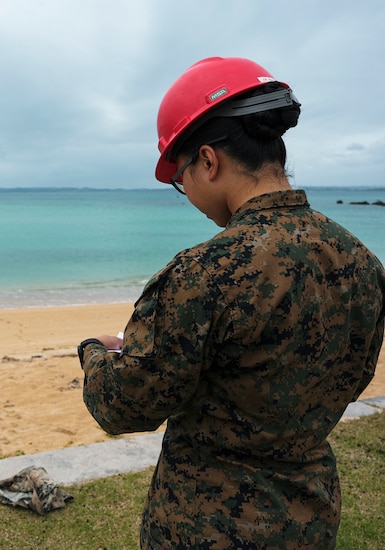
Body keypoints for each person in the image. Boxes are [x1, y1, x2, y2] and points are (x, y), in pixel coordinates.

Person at [78, 57, 385, 549]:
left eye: (182, 181)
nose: (189, 194)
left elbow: (124, 406)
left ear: (208, 161)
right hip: (310, 519)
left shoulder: (204, 273)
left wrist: (95, 353)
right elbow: (352, 379)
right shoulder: (363, 263)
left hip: (205, 527)